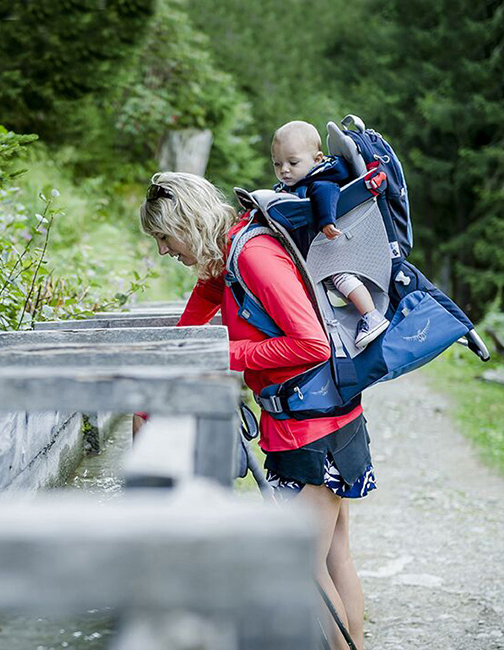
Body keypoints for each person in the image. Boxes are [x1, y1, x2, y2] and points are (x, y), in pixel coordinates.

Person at [140, 171, 373, 650]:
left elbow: (311, 343)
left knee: (304, 565)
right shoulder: (223, 263)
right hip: (317, 418)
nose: (164, 249)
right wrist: (155, 389)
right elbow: (190, 330)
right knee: (332, 557)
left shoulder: (253, 256)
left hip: (316, 428)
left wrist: (227, 358)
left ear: (187, 222)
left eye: (164, 236)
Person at [272, 119, 389, 348]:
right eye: (277, 164)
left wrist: (327, 221)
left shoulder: (320, 179)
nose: (284, 170)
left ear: (316, 160)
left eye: (292, 162)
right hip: (328, 245)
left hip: (339, 241)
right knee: (333, 282)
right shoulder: (299, 181)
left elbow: (327, 192)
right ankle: (358, 315)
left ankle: (372, 315)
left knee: (341, 277)